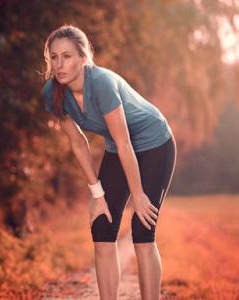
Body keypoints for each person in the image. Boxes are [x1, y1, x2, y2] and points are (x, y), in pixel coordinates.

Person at [41, 24, 177, 300]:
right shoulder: (52, 93)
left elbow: (127, 142)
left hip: (154, 144)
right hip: (119, 148)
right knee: (102, 227)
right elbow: (79, 143)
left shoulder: (101, 83)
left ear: (83, 57)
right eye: (54, 57)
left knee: (142, 230)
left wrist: (137, 195)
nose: (59, 64)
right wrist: (97, 195)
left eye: (66, 56)